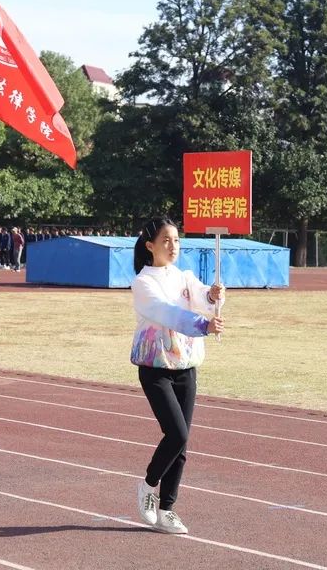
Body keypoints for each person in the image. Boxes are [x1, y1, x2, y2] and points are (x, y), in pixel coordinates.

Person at [130, 217, 224, 535]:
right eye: (166, 240)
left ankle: (167, 509)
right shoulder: (143, 283)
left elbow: (201, 298)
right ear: (150, 246)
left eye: (177, 240)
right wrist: (202, 325)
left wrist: (212, 296)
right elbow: (167, 313)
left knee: (182, 445)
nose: (173, 246)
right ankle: (147, 486)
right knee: (177, 434)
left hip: (185, 366)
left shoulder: (184, 276)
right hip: (155, 369)